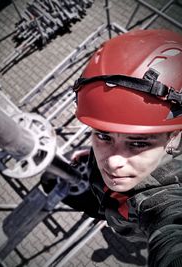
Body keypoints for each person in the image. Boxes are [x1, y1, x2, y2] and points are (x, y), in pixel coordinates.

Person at [72, 29, 182, 267]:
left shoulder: (168, 199)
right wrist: (90, 159)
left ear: (174, 137)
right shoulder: (123, 156)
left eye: (138, 143)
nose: (112, 162)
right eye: (103, 135)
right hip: (105, 204)